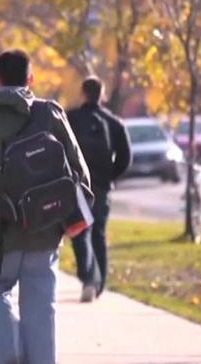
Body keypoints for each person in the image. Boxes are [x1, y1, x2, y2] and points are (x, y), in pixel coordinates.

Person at [0, 49, 91, 364]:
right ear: (31, 79)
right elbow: (80, 174)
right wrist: (65, 215)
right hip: (44, 229)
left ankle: (8, 355)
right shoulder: (51, 113)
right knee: (41, 302)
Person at [66, 76, 132, 302]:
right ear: (102, 94)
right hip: (102, 187)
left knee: (79, 232)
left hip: (76, 186)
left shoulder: (70, 118)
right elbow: (125, 158)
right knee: (99, 234)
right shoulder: (114, 123)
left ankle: (88, 279)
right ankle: (98, 282)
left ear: (83, 93)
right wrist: (109, 176)